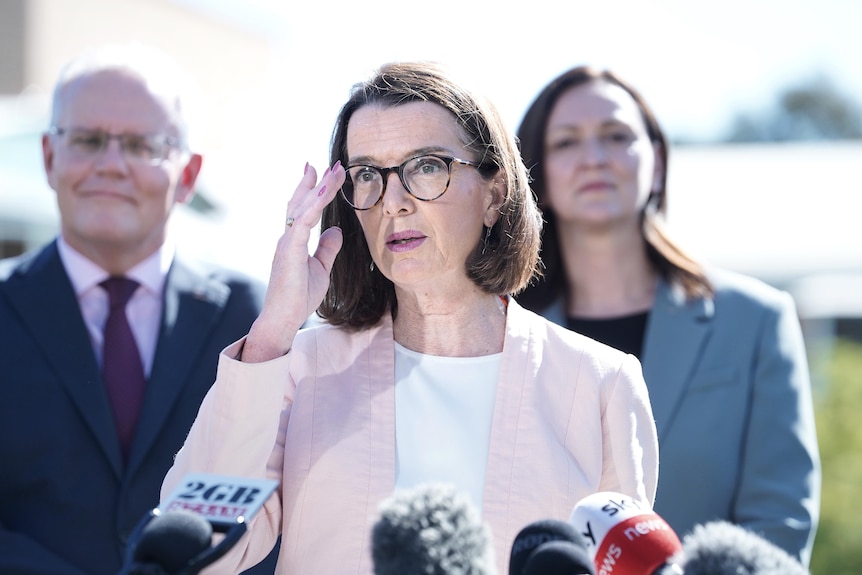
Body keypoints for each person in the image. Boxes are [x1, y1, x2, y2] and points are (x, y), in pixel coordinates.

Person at [160, 61, 659, 575]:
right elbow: (191, 549)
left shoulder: (601, 382)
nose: (393, 202)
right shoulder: (296, 367)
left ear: (495, 193)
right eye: (367, 175)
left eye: (426, 167)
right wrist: (273, 331)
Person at [514, 65, 820, 566]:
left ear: (656, 162)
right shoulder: (503, 331)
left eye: (616, 136)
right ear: (536, 173)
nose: (593, 158)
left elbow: (779, 526)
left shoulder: (756, 321)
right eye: (566, 142)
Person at [0, 43, 277, 575]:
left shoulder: (257, 318)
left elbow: (283, 498)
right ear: (49, 157)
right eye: (87, 139)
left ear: (189, 173)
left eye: (141, 145)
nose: (111, 164)